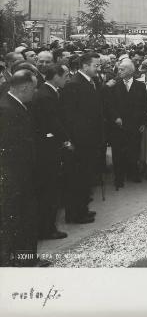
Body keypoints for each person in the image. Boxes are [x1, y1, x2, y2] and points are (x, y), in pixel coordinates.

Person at [0, 70, 48, 266]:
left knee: (21, 219)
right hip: (17, 176)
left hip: (19, 175)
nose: (35, 92)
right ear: (25, 88)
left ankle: (22, 259)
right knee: (20, 219)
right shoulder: (8, 109)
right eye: (34, 88)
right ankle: (21, 262)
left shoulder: (12, 104)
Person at [61, 52, 104, 224]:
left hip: (90, 140)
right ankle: (75, 214)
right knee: (78, 179)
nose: (99, 68)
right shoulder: (74, 85)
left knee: (86, 177)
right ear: (85, 66)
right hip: (81, 142)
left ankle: (83, 209)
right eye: (96, 65)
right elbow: (71, 117)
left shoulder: (91, 82)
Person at [32, 64, 73, 240]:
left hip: (49, 147)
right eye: (65, 75)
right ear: (55, 76)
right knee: (49, 190)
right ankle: (47, 228)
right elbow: (53, 123)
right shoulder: (46, 95)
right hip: (47, 150)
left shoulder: (49, 91)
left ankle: (47, 226)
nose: (68, 79)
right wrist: (66, 140)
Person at [107, 59, 147, 189]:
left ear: (131, 71)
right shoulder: (114, 85)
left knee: (133, 149)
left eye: (122, 69)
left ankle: (133, 173)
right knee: (118, 151)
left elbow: (143, 106)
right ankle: (119, 177)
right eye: (119, 69)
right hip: (118, 125)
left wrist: (144, 122)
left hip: (134, 124)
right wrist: (115, 117)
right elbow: (109, 105)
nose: (119, 71)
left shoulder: (140, 86)